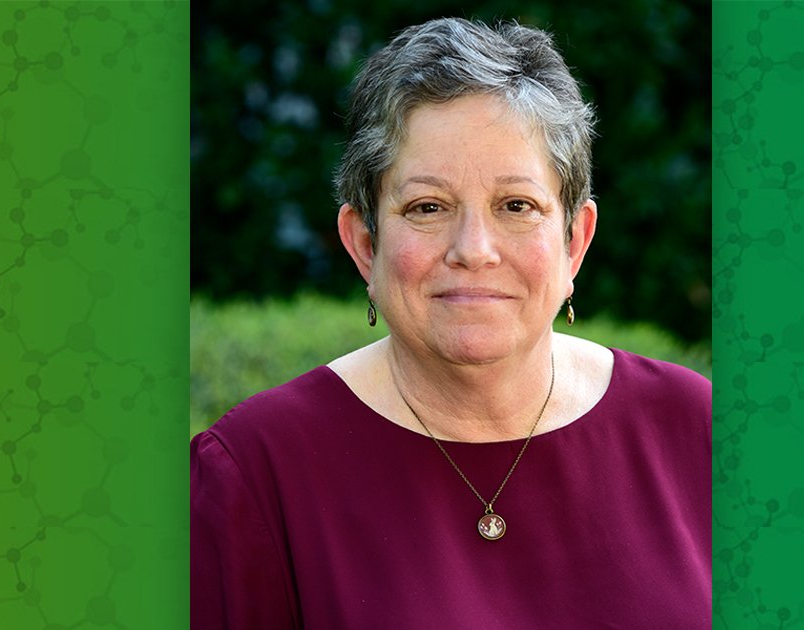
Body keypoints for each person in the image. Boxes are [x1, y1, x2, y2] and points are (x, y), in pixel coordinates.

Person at [191, 17, 710, 629]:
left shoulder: (700, 430)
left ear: (574, 241)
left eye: (516, 205)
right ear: (364, 244)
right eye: (428, 207)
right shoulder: (252, 473)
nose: (474, 249)